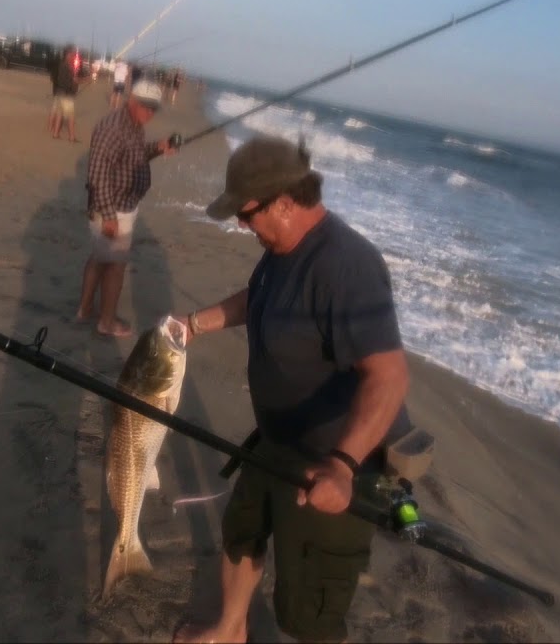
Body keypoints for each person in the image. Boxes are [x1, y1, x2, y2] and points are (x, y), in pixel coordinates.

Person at [171, 135, 413, 644]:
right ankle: (230, 629)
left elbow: (389, 376)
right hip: (276, 441)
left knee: (309, 608)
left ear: (285, 202)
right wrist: (194, 324)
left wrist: (343, 469)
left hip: (334, 461)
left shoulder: (346, 266)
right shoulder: (280, 248)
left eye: (247, 212)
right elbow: (257, 297)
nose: (241, 222)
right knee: (243, 532)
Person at [76, 80, 178, 337]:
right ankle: (106, 321)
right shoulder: (112, 128)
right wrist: (110, 217)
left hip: (120, 206)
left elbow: (134, 155)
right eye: (145, 107)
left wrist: (158, 148)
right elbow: (98, 174)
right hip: (114, 209)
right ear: (131, 100)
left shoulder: (133, 125)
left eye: (154, 108)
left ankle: (84, 309)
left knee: (100, 259)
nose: (150, 113)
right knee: (116, 265)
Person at [49, 44, 83, 142]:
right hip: (66, 95)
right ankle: (72, 137)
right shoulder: (66, 66)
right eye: (72, 54)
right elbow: (71, 81)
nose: (74, 56)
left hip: (60, 93)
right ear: (68, 54)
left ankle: (55, 134)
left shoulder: (63, 64)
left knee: (59, 113)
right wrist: (88, 79)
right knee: (71, 116)